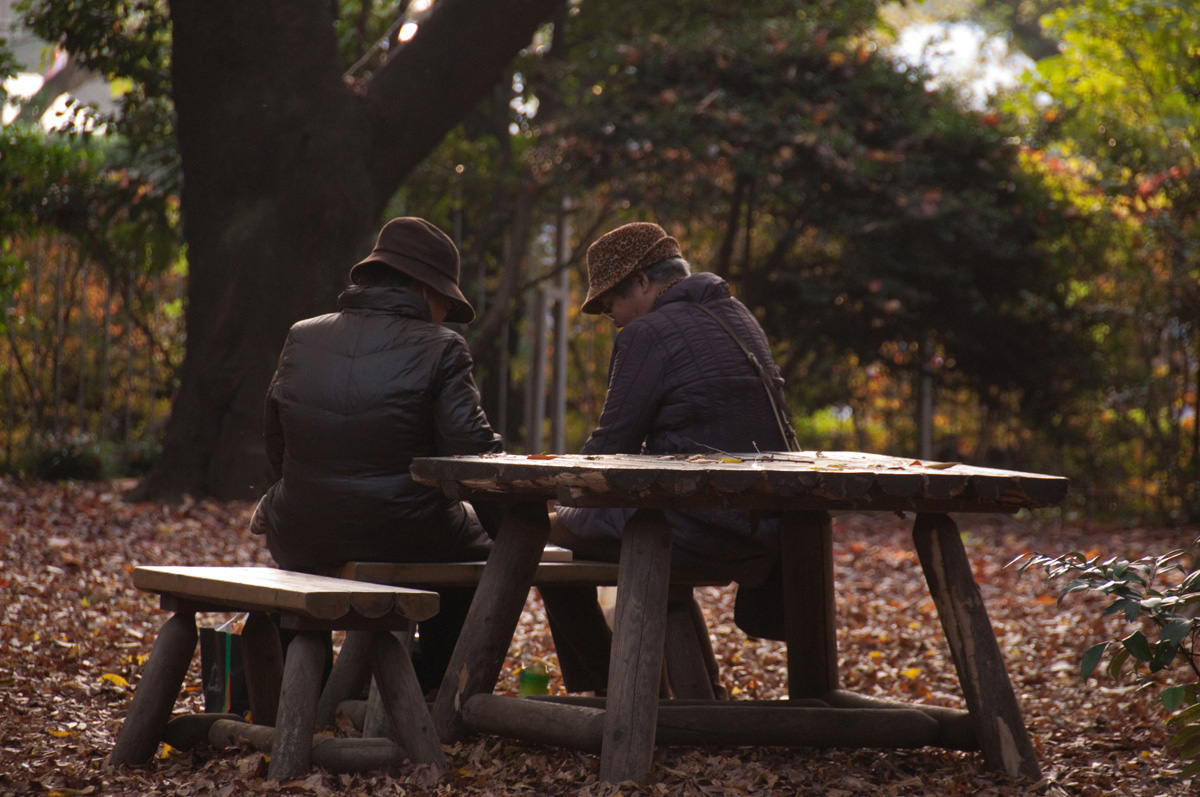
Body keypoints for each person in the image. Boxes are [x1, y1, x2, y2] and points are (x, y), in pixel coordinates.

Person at [541, 221, 797, 693]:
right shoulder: (738, 315)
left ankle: (606, 685)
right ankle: (701, 694)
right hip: (768, 526)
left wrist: (556, 494)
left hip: (700, 527)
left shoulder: (649, 334)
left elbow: (607, 450)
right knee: (642, 532)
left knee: (544, 536)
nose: (611, 317)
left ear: (642, 282)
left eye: (611, 302)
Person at [252, 216, 503, 691]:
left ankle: (308, 691)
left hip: (302, 531)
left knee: (446, 543)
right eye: (446, 302)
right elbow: (476, 460)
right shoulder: (443, 348)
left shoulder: (302, 335)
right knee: (476, 563)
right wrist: (512, 533)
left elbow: (276, 441)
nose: (445, 315)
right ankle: (436, 690)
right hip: (407, 531)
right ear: (422, 288)